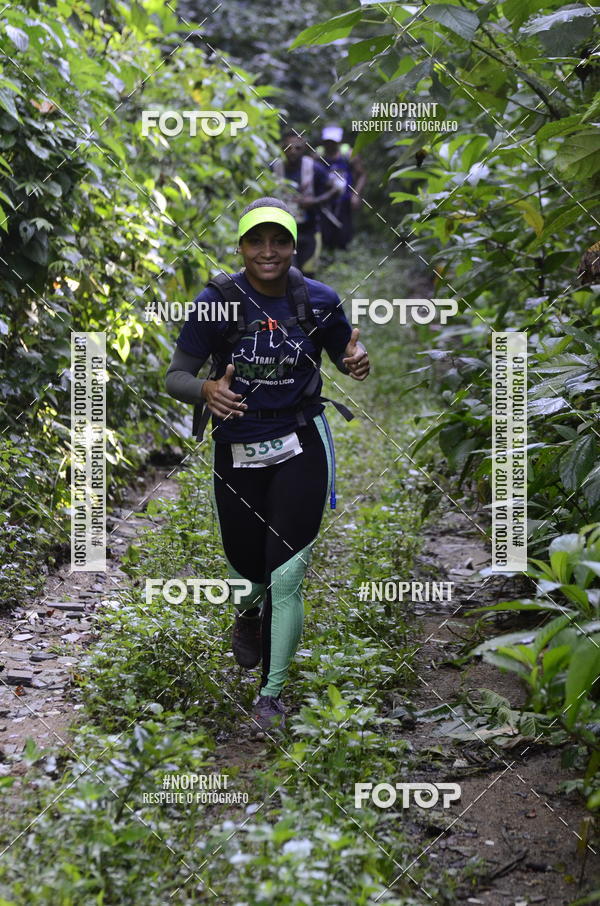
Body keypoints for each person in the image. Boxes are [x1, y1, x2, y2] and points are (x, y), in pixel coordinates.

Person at [165, 197, 370, 733]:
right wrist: (206, 388)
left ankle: (271, 697)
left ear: (293, 246)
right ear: (241, 247)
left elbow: (346, 354)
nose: (268, 251)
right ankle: (248, 612)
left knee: (289, 572)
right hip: (237, 447)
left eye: (279, 240)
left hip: (301, 441)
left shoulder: (317, 301)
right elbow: (175, 376)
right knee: (246, 565)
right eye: (256, 241)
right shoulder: (218, 302)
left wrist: (355, 361)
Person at [271, 131, 339, 278]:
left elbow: (335, 189)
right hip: (282, 231)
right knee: (288, 272)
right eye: (288, 148)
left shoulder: (314, 168)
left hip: (310, 229)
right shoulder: (274, 168)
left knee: (308, 273)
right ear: (282, 148)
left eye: (297, 148)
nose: (292, 152)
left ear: (304, 149)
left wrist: (314, 201)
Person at [318, 125, 367, 251]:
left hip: (344, 200)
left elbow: (362, 174)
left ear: (338, 142)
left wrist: (356, 195)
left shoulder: (349, 155)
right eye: (327, 142)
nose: (330, 145)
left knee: (344, 233)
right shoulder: (318, 156)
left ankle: (342, 256)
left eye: (333, 142)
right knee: (325, 233)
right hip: (323, 201)